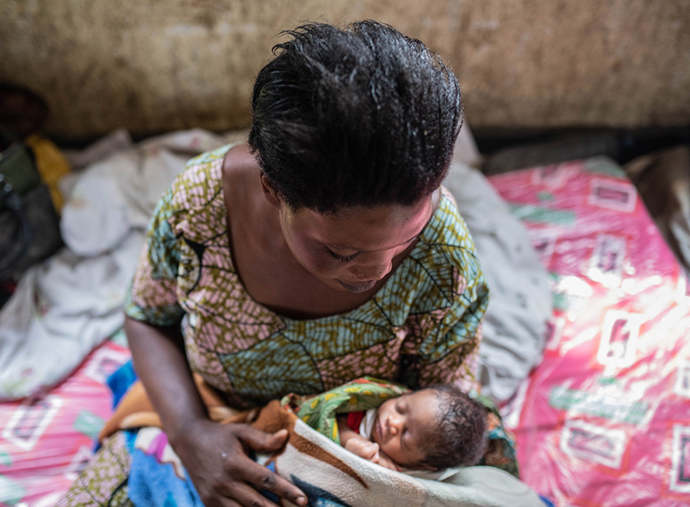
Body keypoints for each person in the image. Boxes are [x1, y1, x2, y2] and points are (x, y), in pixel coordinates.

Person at [60, 19, 512, 507]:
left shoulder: (443, 253)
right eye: (341, 251)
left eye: (405, 241)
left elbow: (444, 414)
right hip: (208, 416)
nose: (376, 271)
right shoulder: (199, 208)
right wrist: (191, 435)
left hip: (356, 452)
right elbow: (148, 317)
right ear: (272, 190)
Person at [337, 384, 488, 472]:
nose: (392, 422)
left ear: (422, 464)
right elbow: (329, 416)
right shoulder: (363, 413)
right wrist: (348, 438)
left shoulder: (416, 478)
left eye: (404, 435)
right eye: (399, 407)